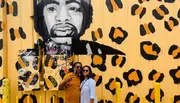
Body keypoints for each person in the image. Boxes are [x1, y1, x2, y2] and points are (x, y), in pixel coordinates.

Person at [33, 0, 125, 55]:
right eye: (52, 8)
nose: (62, 18)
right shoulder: (32, 57)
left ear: (86, 16)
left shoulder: (104, 52)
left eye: (73, 8)